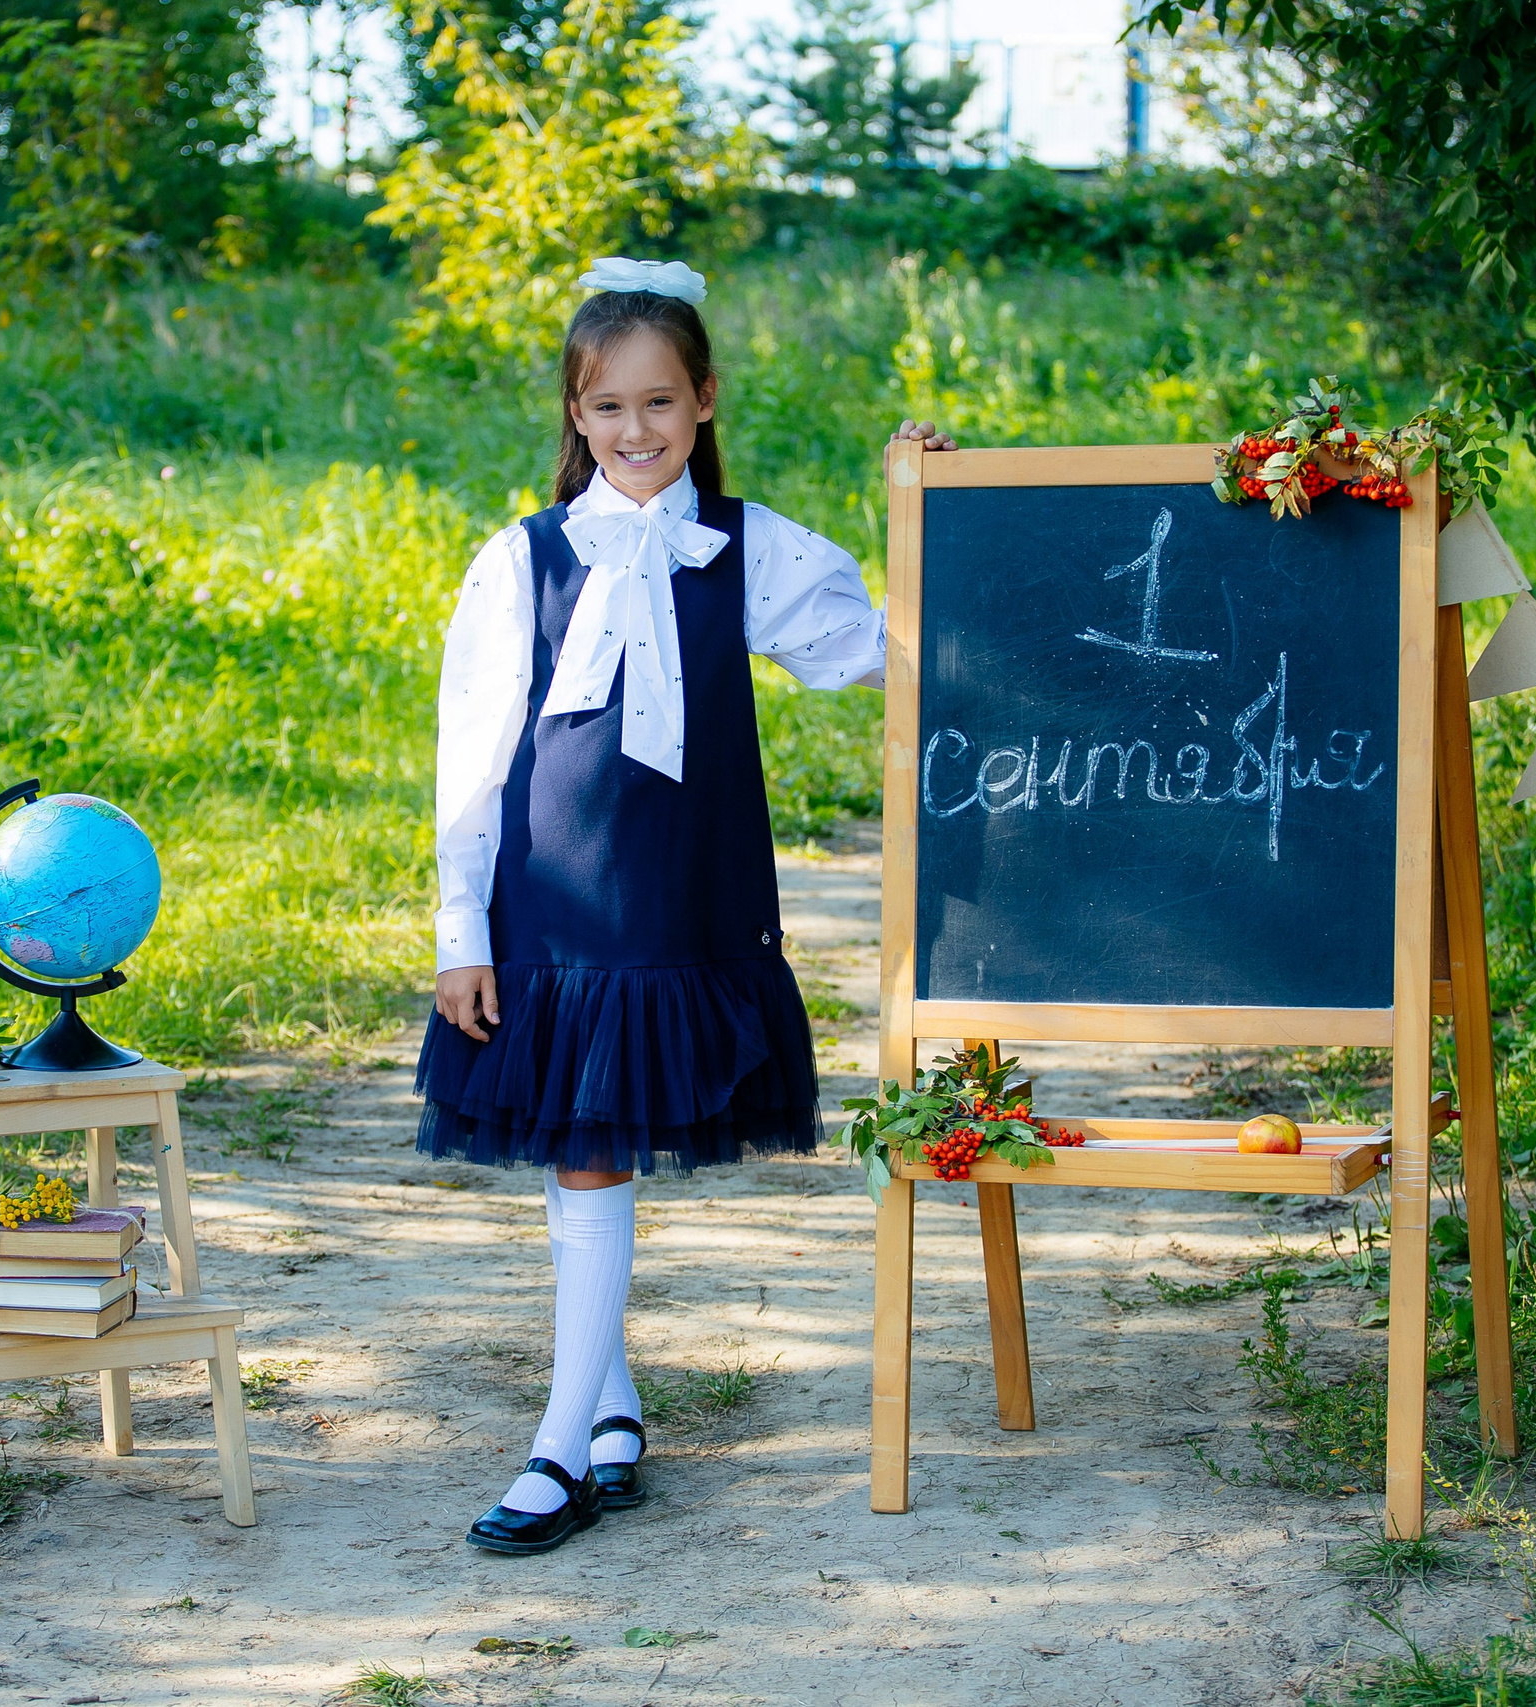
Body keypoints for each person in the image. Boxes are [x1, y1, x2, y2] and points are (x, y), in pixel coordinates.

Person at [415, 254, 955, 1554]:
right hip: (548, 901)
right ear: (576, 416)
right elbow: (472, 754)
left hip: (682, 898)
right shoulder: (521, 560)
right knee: (572, 1143)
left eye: (660, 404)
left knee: (591, 1144)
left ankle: (574, 1436)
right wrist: (461, 932)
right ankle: (588, 1417)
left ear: (704, 400)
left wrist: (937, 512)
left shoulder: (747, 550)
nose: (635, 431)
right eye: (608, 409)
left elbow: (874, 650)